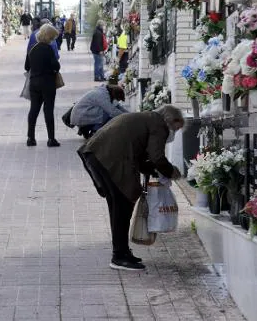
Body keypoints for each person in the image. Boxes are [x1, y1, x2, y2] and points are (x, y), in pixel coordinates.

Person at [77, 105, 184, 271]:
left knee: (118, 206)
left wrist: (153, 170)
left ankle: (122, 252)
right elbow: (157, 157)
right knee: (122, 204)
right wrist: (171, 172)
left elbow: (139, 152)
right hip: (108, 158)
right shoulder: (159, 125)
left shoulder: (147, 119)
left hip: (96, 154)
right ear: (171, 121)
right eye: (176, 129)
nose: (174, 134)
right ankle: (119, 256)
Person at [25, 23, 61, 147]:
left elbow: (26, 66)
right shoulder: (48, 49)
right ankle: (51, 139)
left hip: (34, 83)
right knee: (48, 110)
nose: (52, 40)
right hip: (47, 83)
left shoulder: (32, 48)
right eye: (52, 37)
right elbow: (56, 65)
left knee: (34, 109)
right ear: (49, 36)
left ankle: (30, 138)